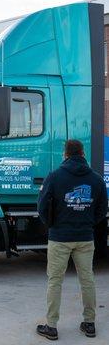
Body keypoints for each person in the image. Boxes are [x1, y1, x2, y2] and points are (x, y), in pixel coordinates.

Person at [37, 139, 107, 340]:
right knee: (87, 280)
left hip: (59, 238)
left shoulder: (55, 177)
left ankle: (51, 326)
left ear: (65, 154)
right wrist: (88, 222)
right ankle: (90, 323)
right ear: (83, 153)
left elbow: (41, 206)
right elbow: (103, 208)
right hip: (85, 237)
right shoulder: (96, 179)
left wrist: (52, 225)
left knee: (55, 281)